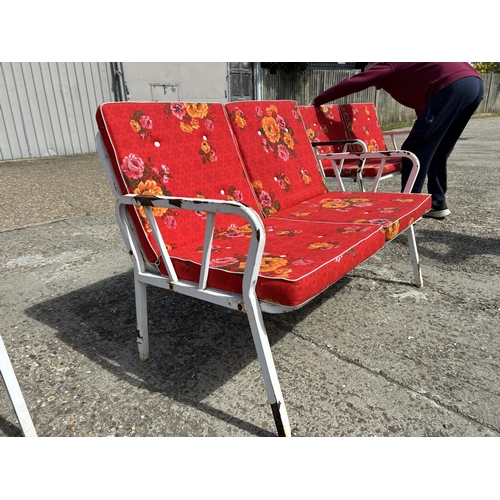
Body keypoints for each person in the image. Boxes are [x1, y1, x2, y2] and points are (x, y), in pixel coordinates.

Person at [312, 63, 484, 219]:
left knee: (414, 148)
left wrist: (318, 100)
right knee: (437, 149)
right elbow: (423, 99)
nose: (373, 82)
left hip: (452, 86)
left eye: (367, 70)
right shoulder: (408, 69)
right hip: (473, 84)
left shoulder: (387, 64)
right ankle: (438, 202)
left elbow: (354, 83)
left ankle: (408, 208)